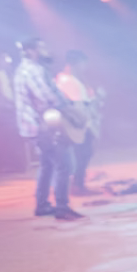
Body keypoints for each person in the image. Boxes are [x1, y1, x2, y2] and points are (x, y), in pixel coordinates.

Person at [13, 38, 83, 220]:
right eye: (42, 47)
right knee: (65, 165)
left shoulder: (24, 69)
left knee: (47, 165)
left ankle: (42, 205)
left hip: (36, 125)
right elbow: (47, 96)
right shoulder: (33, 70)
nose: (47, 50)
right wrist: (70, 109)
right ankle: (62, 208)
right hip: (44, 126)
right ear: (31, 51)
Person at [55, 50, 103, 196]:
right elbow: (78, 105)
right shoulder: (69, 81)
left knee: (83, 153)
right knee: (83, 153)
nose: (84, 68)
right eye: (83, 64)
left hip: (78, 122)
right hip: (79, 123)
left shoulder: (65, 79)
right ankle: (78, 185)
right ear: (75, 64)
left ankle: (78, 183)